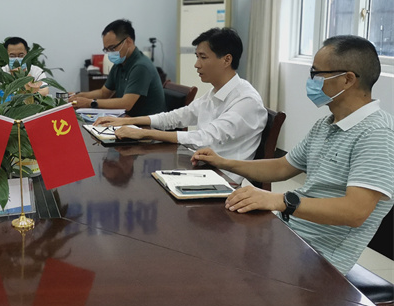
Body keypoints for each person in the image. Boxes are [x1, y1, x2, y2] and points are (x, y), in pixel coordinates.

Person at [192, 35, 394, 275]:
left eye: (316, 74)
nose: (311, 81)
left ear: (347, 79)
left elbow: (355, 212)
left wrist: (280, 201)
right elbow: (282, 167)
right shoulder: (326, 124)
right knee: (206, 244)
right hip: (290, 236)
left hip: (321, 261)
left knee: (217, 269)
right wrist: (224, 162)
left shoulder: (376, 133)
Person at [94, 28, 267, 177]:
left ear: (226, 60)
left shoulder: (246, 100)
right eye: (197, 57)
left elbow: (203, 138)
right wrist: (129, 121)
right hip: (201, 168)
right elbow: (177, 117)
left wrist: (145, 133)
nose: (196, 65)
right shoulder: (215, 92)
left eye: (203, 57)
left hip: (223, 179)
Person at [69, 19, 165, 116]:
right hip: (128, 118)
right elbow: (104, 93)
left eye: (112, 48)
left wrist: (89, 103)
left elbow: (126, 104)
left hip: (146, 123)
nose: (110, 53)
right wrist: (78, 96)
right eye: (106, 49)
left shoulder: (141, 66)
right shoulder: (120, 64)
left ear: (128, 42)